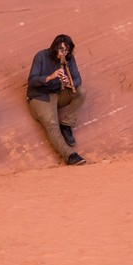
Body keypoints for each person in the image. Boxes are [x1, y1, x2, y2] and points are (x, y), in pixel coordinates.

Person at [26, 34, 88, 166]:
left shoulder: (69, 59)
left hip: (58, 93)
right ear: (54, 48)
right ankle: (69, 155)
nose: (63, 53)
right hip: (40, 97)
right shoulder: (41, 56)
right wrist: (50, 77)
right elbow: (32, 81)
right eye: (61, 49)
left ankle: (67, 125)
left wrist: (68, 83)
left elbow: (78, 79)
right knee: (52, 124)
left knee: (81, 91)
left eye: (66, 50)